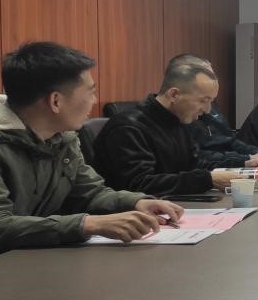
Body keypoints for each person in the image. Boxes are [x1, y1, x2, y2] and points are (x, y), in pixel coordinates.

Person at [0, 42, 183, 287]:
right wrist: (88, 224)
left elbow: (89, 192)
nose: (94, 101)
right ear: (55, 101)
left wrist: (136, 202)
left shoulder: (61, 138)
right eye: (90, 92)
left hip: (10, 264)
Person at [92, 57, 237, 196]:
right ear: (174, 94)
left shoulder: (177, 120)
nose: (207, 110)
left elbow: (193, 165)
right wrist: (207, 180)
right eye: (203, 101)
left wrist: (239, 169)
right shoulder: (127, 128)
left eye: (211, 101)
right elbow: (138, 184)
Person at [162, 54, 258, 170]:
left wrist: (256, 154)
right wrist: (246, 159)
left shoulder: (204, 105)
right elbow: (198, 159)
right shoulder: (180, 116)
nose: (207, 109)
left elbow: (229, 140)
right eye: (206, 75)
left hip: (225, 167)